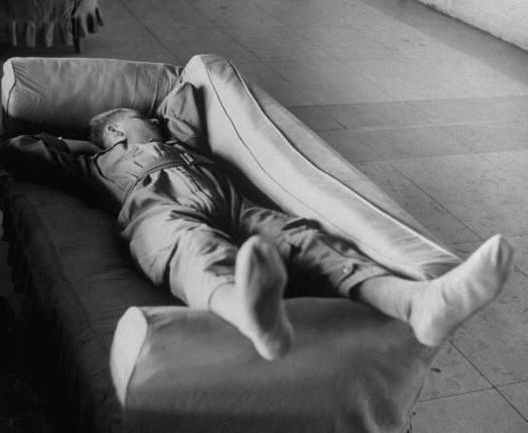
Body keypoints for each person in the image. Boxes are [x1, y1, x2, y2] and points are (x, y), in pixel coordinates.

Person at [0, 107, 514, 361]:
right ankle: (248, 312)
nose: (150, 119)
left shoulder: (179, 139)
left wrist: (153, 122)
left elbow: (184, 96)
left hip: (232, 202)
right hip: (153, 206)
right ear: (112, 132)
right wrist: (79, 144)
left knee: (303, 238)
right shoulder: (95, 166)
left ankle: (416, 303)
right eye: (136, 119)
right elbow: (22, 149)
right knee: (189, 248)